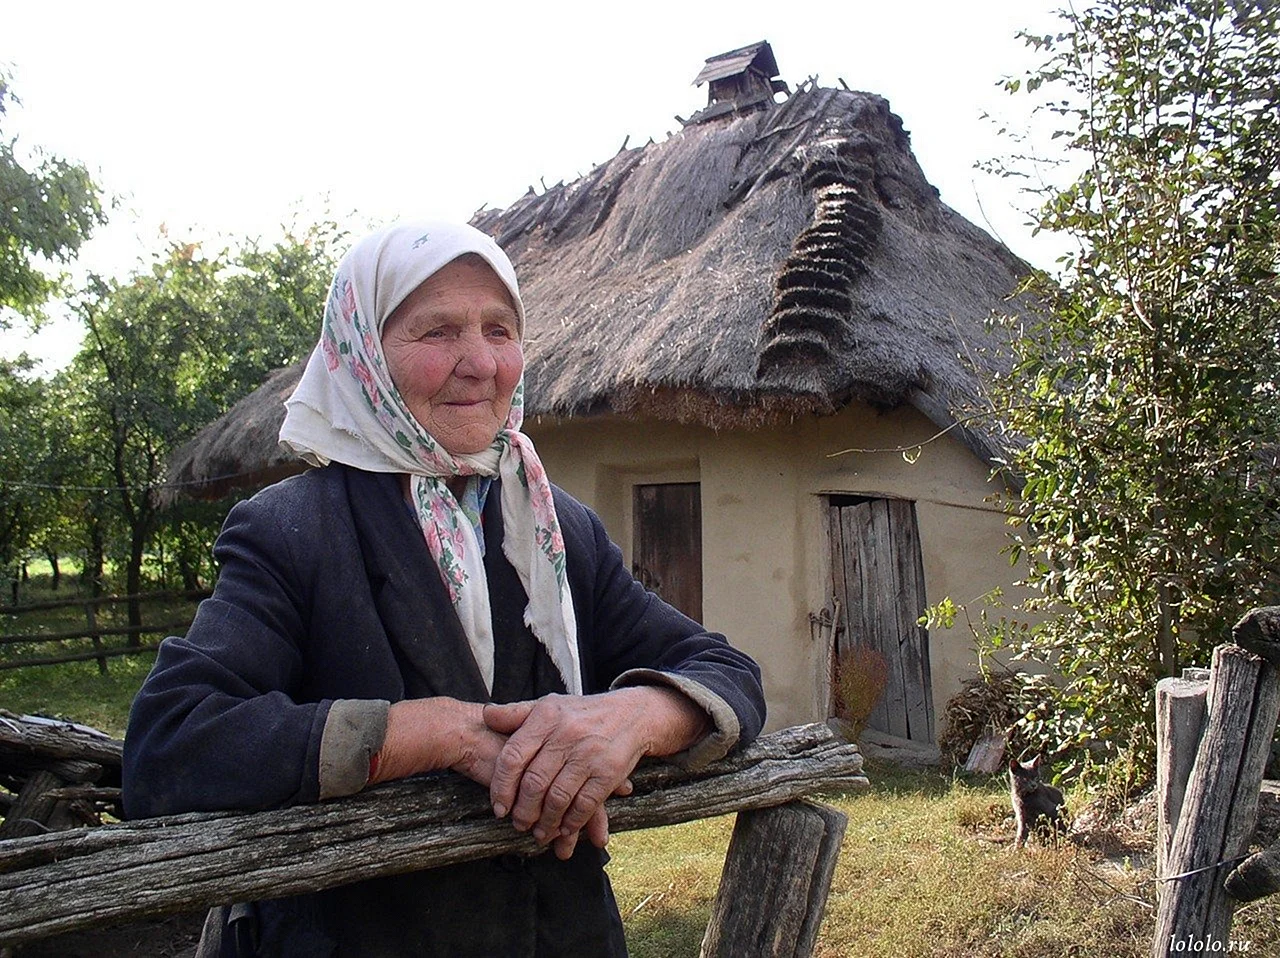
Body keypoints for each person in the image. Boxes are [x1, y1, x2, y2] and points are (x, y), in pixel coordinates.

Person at [122, 221, 766, 957]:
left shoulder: (556, 531)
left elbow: (726, 672)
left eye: (500, 329)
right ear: (363, 352)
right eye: (437, 333)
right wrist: (438, 734)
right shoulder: (295, 531)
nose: (480, 363)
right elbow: (171, 745)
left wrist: (635, 716)